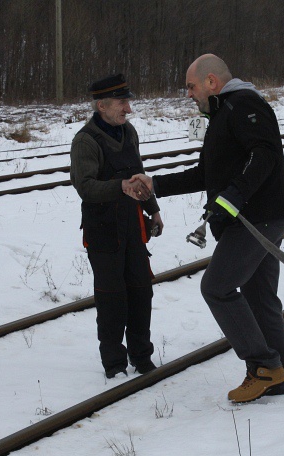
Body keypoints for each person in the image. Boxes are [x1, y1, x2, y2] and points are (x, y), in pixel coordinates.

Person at [132, 54, 284, 403]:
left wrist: (234, 196)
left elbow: (264, 153)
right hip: (256, 215)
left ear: (211, 81)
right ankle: (276, 379)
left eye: (191, 86)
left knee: (217, 287)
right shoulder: (220, 115)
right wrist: (154, 183)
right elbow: (204, 174)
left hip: (256, 217)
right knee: (260, 298)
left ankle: (264, 366)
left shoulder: (244, 105)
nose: (188, 94)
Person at [70, 73, 163, 379]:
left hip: (134, 227)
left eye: (128, 102)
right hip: (103, 231)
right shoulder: (85, 141)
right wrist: (119, 187)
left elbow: (138, 174)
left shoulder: (129, 132)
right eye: (123, 103)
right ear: (102, 106)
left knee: (140, 292)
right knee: (112, 297)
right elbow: (85, 187)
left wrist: (153, 210)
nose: (129, 109)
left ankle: (141, 356)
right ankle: (114, 364)